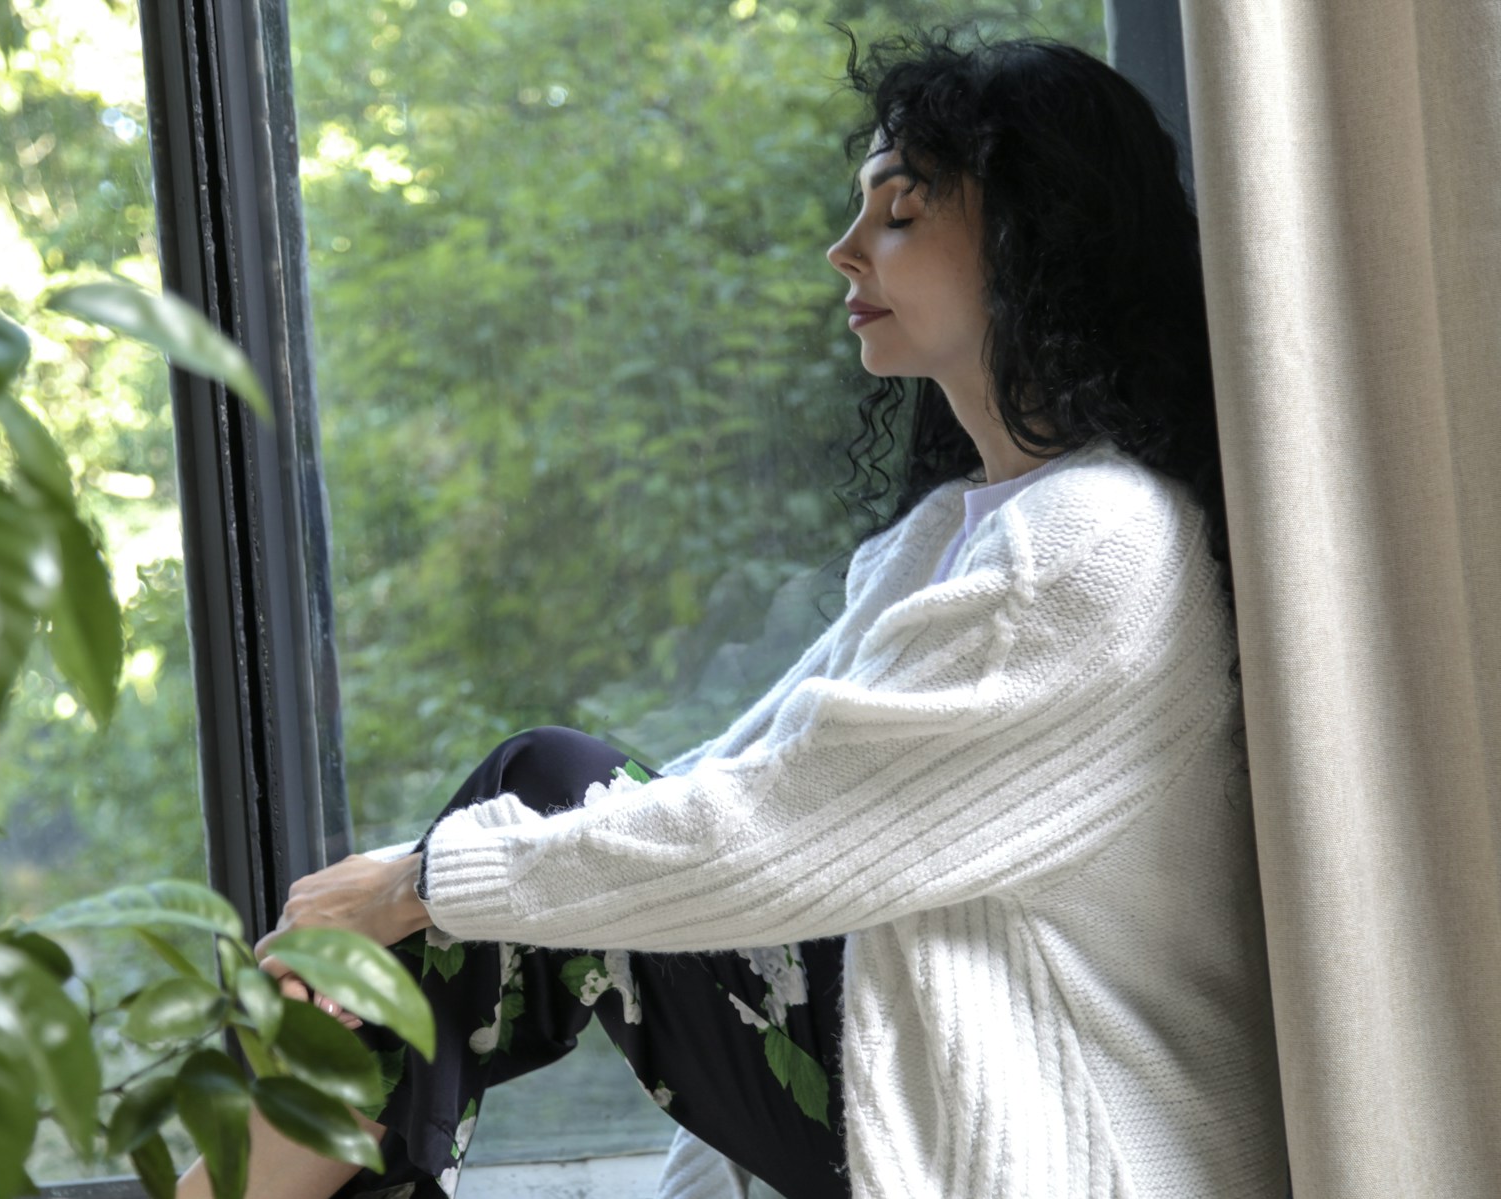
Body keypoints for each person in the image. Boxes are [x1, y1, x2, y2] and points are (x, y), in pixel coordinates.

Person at [179, 25, 1289, 1199]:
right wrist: (426, 883)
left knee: (541, 796)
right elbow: (734, 779)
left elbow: (760, 829)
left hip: (1068, 1153)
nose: (844, 249)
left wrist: (420, 881)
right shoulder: (955, 534)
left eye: (900, 214)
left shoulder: (1092, 545)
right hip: (932, 1102)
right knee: (538, 816)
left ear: (1030, 241)